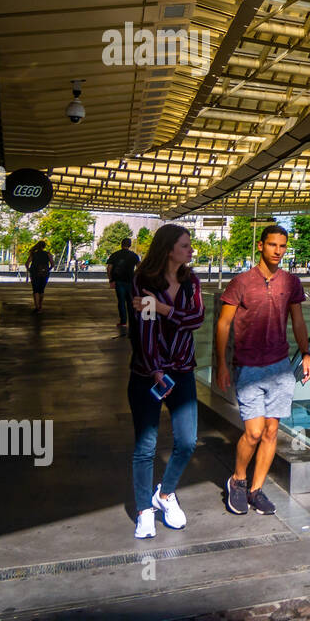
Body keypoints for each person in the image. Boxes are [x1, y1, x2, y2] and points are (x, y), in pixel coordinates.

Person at [214, 225, 310, 517]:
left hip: (280, 366)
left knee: (271, 432)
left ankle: (256, 490)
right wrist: (222, 363)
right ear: (260, 246)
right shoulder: (241, 282)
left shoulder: (290, 282)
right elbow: (223, 324)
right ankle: (238, 479)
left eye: (282, 246)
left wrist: (306, 353)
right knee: (254, 432)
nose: (278, 251)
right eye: (272, 245)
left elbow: (298, 321)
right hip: (248, 367)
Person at [128, 225, 204, 539]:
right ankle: (144, 510)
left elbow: (197, 319)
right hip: (148, 374)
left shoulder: (191, 282)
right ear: (168, 248)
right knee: (146, 446)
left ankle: (165, 493)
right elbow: (144, 330)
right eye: (185, 245)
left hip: (183, 371)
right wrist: (155, 369)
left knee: (187, 441)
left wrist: (162, 308)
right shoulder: (143, 281)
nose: (190, 250)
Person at [106, 236, 140, 336]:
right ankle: (132, 322)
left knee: (121, 302)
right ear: (130, 245)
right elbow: (140, 267)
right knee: (130, 302)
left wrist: (111, 279)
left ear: (121, 244)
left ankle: (123, 321)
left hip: (119, 281)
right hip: (130, 281)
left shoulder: (115, 255)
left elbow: (109, 268)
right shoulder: (134, 255)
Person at [24, 240, 53, 314]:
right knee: (41, 290)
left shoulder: (33, 254)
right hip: (44, 274)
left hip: (35, 274)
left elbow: (27, 263)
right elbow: (52, 264)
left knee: (35, 290)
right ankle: (40, 305)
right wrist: (48, 270)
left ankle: (37, 307)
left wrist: (29, 270)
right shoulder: (48, 254)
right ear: (44, 246)